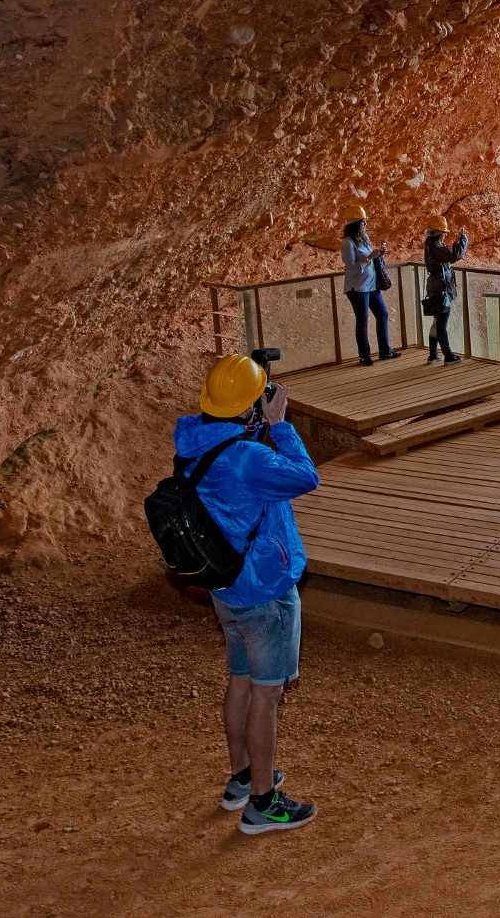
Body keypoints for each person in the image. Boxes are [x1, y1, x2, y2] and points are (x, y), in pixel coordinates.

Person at [180, 354, 322, 835]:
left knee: (240, 678)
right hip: (265, 588)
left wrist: (254, 421)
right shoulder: (250, 458)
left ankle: (241, 777)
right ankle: (263, 802)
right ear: (251, 405)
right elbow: (305, 476)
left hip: (226, 585)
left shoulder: (195, 443)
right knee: (267, 693)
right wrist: (280, 426)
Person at [339, 206, 397, 366]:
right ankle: (365, 355)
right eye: (363, 222)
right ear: (355, 223)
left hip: (371, 285)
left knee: (383, 314)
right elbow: (351, 267)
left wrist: (378, 254)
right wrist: (369, 257)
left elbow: (370, 258)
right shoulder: (347, 242)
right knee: (363, 320)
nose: (365, 224)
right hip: (357, 288)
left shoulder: (364, 238)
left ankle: (385, 350)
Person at [422, 214, 468, 366]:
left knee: (437, 321)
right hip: (441, 289)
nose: (445, 235)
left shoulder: (431, 246)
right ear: (439, 233)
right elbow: (455, 256)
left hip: (436, 286)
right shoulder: (436, 247)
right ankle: (448, 356)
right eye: (444, 233)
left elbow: (448, 256)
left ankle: (433, 355)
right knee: (442, 323)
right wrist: (463, 241)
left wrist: (455, 244)